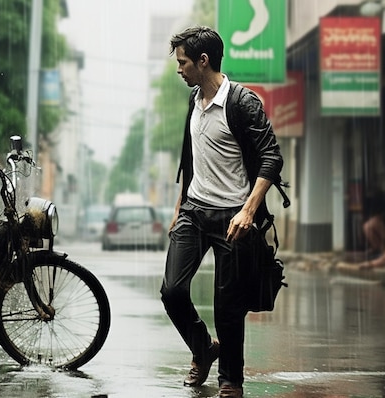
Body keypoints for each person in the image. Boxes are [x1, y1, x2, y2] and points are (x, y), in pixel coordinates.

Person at [159, 26, 283, 398]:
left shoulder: (242, 102)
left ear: (203, 61)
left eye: (183, 63)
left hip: (234, 216)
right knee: (172, 292)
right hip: (194, 212)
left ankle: (231, 380)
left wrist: (248, 210)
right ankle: (203, 348)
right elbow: (190, 159)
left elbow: (271, 157)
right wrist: (179, 206)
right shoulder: (193, 101)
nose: (179, 69)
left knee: (228, 306)